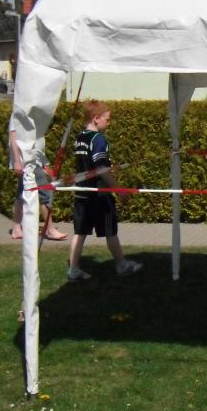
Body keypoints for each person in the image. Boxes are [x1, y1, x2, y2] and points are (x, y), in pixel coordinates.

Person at [67, 100, 142, 281]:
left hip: (82, 194)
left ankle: (73, 269)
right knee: (110, 231)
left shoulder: (80, 138)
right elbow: (101, 168)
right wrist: (119, 189)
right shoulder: (98, 139)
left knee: (80, 232)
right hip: (100, 195)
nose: (108, 123)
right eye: (107, 119)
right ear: (96, 119)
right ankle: (122, 265)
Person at [9, 119, 67, 241]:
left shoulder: (35, 116)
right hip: (28, 161)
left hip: (33, 160)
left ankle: (16, 229)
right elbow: (13, 136)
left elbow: (37, 146)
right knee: (45, 193)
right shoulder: (20, 113)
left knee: (21, 194)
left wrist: (45, 164)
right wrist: (17, 161)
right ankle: (50, 230)